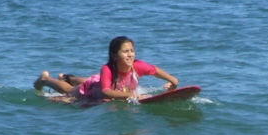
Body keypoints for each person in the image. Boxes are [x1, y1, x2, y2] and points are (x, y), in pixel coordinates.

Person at [33, 36, 178, 102]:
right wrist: (132, 96)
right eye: (125, 52)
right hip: (93, 89)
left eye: (132, 51)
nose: (130, 55)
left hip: (100, 81)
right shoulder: (107, 69)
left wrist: (173, 81)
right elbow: (106, 92)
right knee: (71, 91)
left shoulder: (137, 66)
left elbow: (155, 70)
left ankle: (67, 77)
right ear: (115, 56)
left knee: (88, 80)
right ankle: (46, 79)